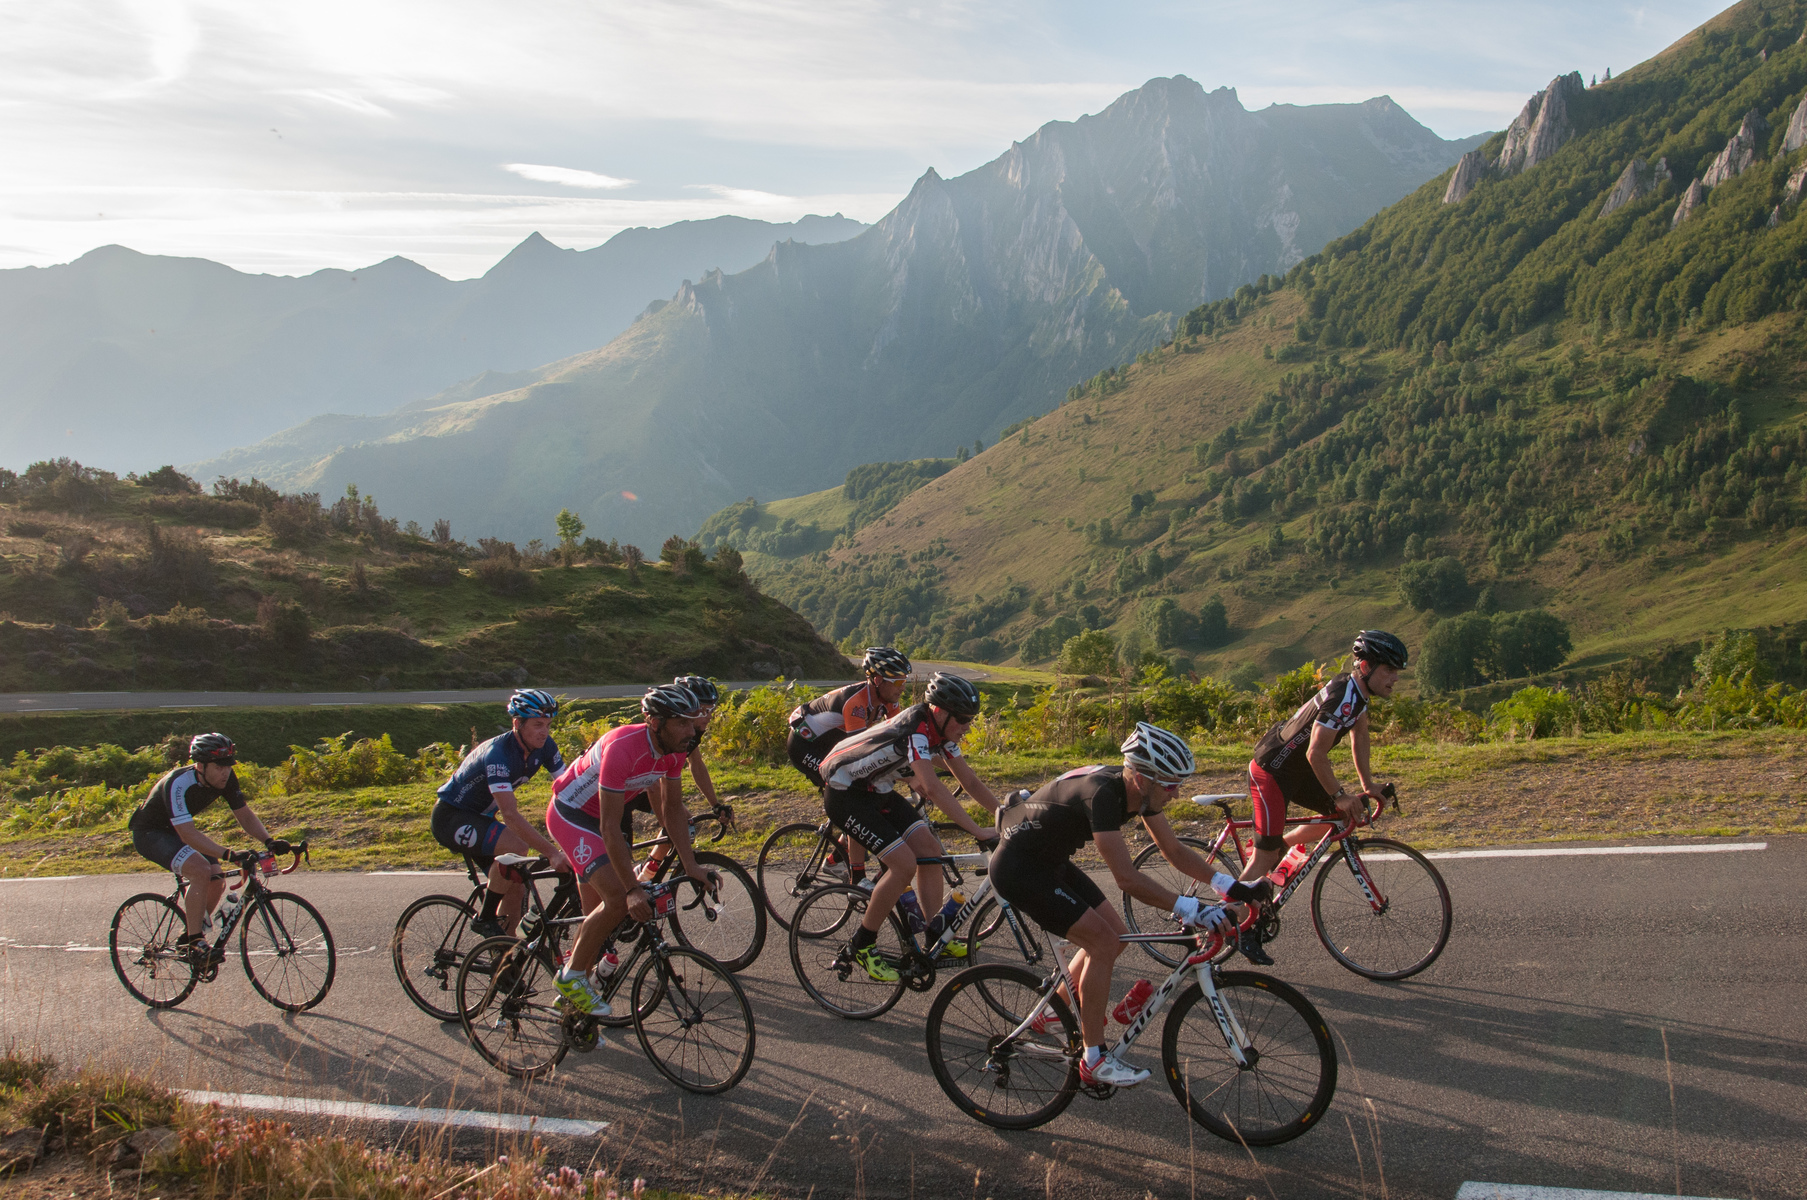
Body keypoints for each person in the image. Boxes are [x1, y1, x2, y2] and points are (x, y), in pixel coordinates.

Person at [989, 722, 1232, 1088]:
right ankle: (1094, 1059)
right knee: (1102, 942)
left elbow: (1175, 850)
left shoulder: (1138, 794)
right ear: (1142, 779)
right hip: (1019, 869)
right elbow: (1127, 878)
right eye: (1170, 784)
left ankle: (1052, 1015)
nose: (1177, 794)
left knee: (1117, 937)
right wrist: (1192, 909)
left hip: (1048, 862)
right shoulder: (1102, 796)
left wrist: (1228, 885)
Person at [1221, 630, 1409, 964]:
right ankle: (1227, 923)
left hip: (1296, 770)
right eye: (1389, 670)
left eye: (1397, 671)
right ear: (1365, 665)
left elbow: (1360, 735)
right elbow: (1316, 754)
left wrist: (1367, 786)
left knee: (1342, 818)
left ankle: (1280, 844)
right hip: (1272, 770)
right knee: (1264, 858)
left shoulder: (1359, 692)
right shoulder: (1344, 697)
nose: (1395, 677)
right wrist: (1338, 794)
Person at [545, 683, 720, 1014]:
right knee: (618, 899)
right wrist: (631, 889)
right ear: (656, 722)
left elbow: (672, 812)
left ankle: (568, 1005)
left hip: (598, 819)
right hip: (570, 815)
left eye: (691, 720)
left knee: (603, 913)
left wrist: (692, 865)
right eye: (681, 722)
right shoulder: (622, 747)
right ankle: (572, 978)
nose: (690, 729)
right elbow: (609, 827)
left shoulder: (677, 749)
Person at [816, 671, 1002, 982]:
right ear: (940, 712)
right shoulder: (916, 728)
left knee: (929, 848)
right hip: (845, 792)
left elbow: (968, 780)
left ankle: (934, 937)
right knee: (903, 865)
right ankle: (862, 945)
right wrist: (979, 832)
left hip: (877, 789)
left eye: (971, 719)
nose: (967, 726)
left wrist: (1002, 814)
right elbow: (931, 788)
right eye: (963, 719)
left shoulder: (943, 732)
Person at [127, 733, 284, 964]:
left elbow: (244, 815)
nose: (226, 772)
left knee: (217, 879)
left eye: (229, 766)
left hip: (177, 831)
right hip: (151, 834)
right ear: (200, 765)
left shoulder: (226, 779)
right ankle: (196, 942)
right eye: (219, 767)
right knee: (201, 870)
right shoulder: (178, 783)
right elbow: (187, 833)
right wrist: (229, 854)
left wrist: (269, 841)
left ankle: (189, 936)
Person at [431, 688, 572, 938]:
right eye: (538, 724)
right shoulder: (498, 754)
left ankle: (503, 958)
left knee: (516, 887)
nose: (544, 732)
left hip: (481, 819)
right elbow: (510, 814)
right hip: (452, 817)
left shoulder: (546, 746)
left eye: (548, 725)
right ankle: (484, 918)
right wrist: (551, 852)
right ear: (517, 723)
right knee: (517, 847)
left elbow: (569, 790)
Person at [786, 646, 912, 885]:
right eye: (897, 681)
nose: (902, 687)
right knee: (853, 794)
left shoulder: (887, 699)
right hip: (805, 745)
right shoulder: (855, 704)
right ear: (877, 680)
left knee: (858, 796)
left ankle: (835, 860)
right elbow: (862, 752)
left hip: (829, 740)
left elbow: (900, 735)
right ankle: (858, 877)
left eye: (904, 680)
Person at [631, 675, 732, 883]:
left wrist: (715, 804)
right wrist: (668, 824)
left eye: (711, 710)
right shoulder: (669, 733)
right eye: (703, 711)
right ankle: (641, 882)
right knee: (679, 828)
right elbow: (654, 786)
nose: (709, 716)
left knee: (680, 829)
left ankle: (645, 876)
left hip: (649, 784)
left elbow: (696, 764)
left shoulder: (692, 732)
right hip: (634, 787)